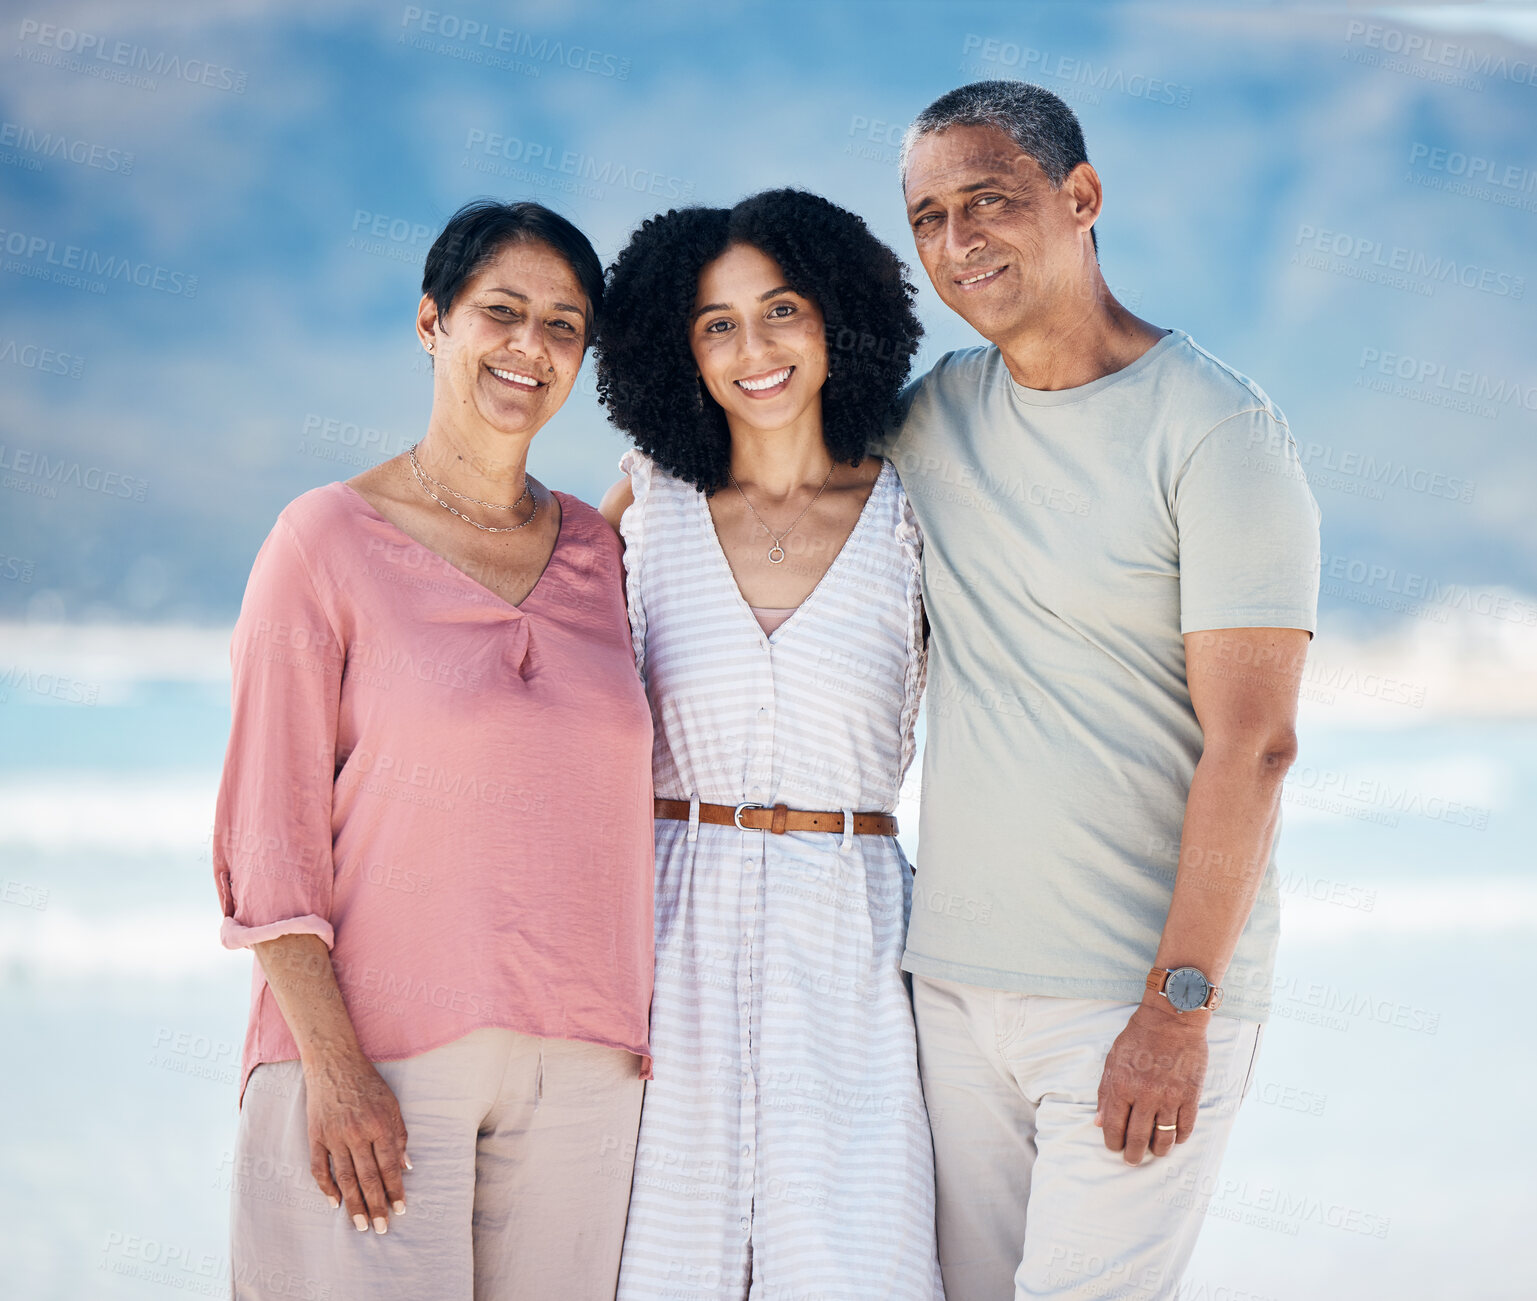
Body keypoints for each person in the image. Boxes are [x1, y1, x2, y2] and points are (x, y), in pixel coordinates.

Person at [882, 82, 1322, 1300]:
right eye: (928, 217)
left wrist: (1177, 1012)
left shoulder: (1217, 430)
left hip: (1133, 1001)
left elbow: (1256, 746)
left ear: (1079, 199)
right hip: (953, 986)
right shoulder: (934, 418)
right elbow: (733, 474)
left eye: (989, 201)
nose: (958, 242)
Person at [212, 199, 655, 1301]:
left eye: (564, 325)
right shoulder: (321, 541)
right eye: (499, 312)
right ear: (431, 323)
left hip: (585, 1064)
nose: (530, 346)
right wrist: (337, 1068)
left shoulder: (601, 549)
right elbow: (268, 843)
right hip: (378, 1057)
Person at [595, 189, 944, 1300]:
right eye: (716, 323)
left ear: (837, 316)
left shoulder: (910, 509)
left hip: (853, 934)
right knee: (660, 1260)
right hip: (664, 931)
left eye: (781, 308)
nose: (755, 348)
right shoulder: (649, 501)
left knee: (857, 1257)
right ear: (678, 348)